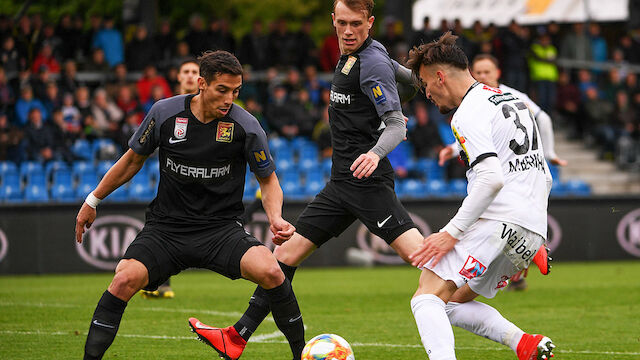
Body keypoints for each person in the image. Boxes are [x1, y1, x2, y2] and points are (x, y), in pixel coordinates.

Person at [200, 2, 445, 359]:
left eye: (356, 24)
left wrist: (375, 153)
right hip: (340, 185)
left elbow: (397, 125)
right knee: (283, 256)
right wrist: (418, 86)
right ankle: (236, 337)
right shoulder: (363, 53)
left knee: (426, 260)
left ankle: (493, 302)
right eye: (342, 23)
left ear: (370, 23)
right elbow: (412, 83)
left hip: (366, 183)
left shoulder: (372, 62)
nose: (348, 31)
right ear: (333, 20)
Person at [74, 51, 306, 360]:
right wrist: (93, 199)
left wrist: (275, 217)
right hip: (166, 229)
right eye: (222, 89)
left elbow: (268, 180)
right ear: (201, 84)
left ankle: (301, 354)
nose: (229, 98)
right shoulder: (165, 113)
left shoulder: (246, 125)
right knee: (123, 280)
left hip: (220, 231)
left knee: (272, 272)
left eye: (235, 91)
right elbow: (131, 161)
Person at [406, 32, 556, 360]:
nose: (427, 94)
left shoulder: (467, 113)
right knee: (449, 304)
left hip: (495, 221)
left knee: (425, 299)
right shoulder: (515, 101)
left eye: (425, 84)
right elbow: (544, 175)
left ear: (440, 76)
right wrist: (535, 235)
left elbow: (491, 179)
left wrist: (450, 234)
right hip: (529, 231)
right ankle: (524, 344)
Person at [471, 53, 559, 290]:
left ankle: (522, 257)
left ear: (497, 73)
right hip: (522, 170)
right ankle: (520, 263)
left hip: (508, 170)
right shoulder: (496, 98)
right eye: (477, 72)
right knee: (496, 222)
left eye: (486, 71)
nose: (481, 76)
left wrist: (549, 153)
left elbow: (545, 120)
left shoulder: (493, 99)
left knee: (482, 220)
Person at [139, 59, 200, 300]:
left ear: (201, 78)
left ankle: (158, 280)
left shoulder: (212, 107)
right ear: (177, 77)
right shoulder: (165, 108)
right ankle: (159, 283)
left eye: (194, 72)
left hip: (203, 179)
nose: (189, 76)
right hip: (173, 181)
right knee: (159, 222)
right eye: (185, 71)